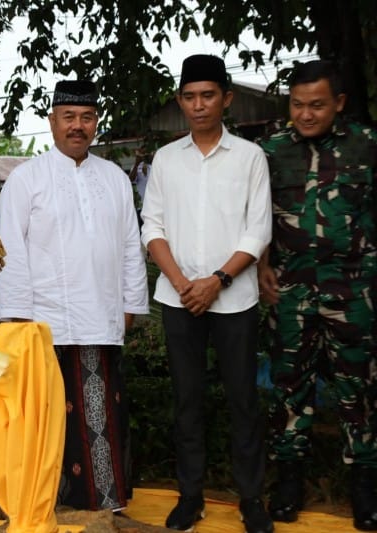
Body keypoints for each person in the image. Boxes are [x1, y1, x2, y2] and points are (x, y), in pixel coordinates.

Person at [0, 80, 149, 512]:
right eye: (69, 117)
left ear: (95, 122)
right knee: (46, 421)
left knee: (101, 417)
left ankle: (106, 505)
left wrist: (131, 306)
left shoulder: (114, 178)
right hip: (44, 323)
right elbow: (9, 253)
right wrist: (16, 317)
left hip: (100, 318)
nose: (78, 127)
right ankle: (47, 506)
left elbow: (129, 247)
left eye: (86, 117)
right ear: (52, 123)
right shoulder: (27, 179)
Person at [140, 55, 273, 533]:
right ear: (180, 101)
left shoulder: (249, 157)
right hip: (179, 301)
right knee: (187, 401)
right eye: (190, 97)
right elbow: (151, 226)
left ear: (226, 99)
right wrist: (182, 284)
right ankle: (190, 496)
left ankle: (251, 499)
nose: (198, 105)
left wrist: (216, 280)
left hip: (234, 299)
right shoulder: (166, 159)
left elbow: (258, 230)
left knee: (242, 401)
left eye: (208, 95)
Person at [257, 60, 377, 531]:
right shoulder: (269, 151)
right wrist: (263, 264)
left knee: (359, 390)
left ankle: (365, 487)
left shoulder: (367, 147)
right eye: (297, 105)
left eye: (317, 106)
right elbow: (254, 217)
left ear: (340, 103)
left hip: (355, 293)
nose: (305, 115)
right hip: (290, 292)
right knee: (289, 387)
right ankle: (290, 483)